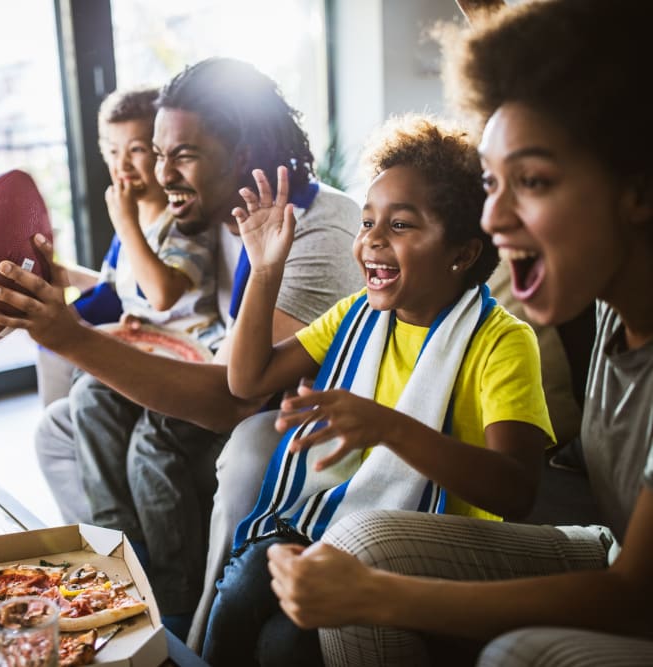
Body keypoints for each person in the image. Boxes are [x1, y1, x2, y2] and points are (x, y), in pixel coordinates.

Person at [266, 1, 653, 665]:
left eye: (531, 182)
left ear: (638, 190)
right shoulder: (616, 312)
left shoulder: (508, 335)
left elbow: (634, 596)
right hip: (609, 547)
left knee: (520, 653)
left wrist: (378, 595)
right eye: (493, 184)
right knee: (356, 538)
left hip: (633, 585)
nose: (496, 219)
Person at [0, 57, 363, 638]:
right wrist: (45, 278)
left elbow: (235, 398)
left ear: (244, 152)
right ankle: (119, 583)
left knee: (154, 441)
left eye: (182, 155)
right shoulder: (212, 212)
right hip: (221, 371)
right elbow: (139, 293)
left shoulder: (316, 231)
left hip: (285, 417)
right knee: (74, 416)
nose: (162, 175)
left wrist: (68, 335)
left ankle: (176, 614)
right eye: (157, 153)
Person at [202, 115, 555, 666]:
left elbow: (514, 491)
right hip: (341, 515)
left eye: (400, 226)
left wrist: (388, 427)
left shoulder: (504, 342)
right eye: (367, 222)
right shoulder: (358, 314)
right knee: (249, 576)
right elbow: (246, 380)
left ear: (461, 252)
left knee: (284, 643)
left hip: (436, 544)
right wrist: (266, 270)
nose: (370, 241)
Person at [37, 87, 221, 406]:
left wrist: (126, 225)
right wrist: (60, 273)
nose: (122, 164)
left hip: (189, 354)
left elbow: (162, 294)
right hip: (150, 341)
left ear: (161, 150)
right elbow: (122, 285)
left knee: (84, 380)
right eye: (112, 151)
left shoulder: (182, 221)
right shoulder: (134, 220)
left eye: (136, 150)